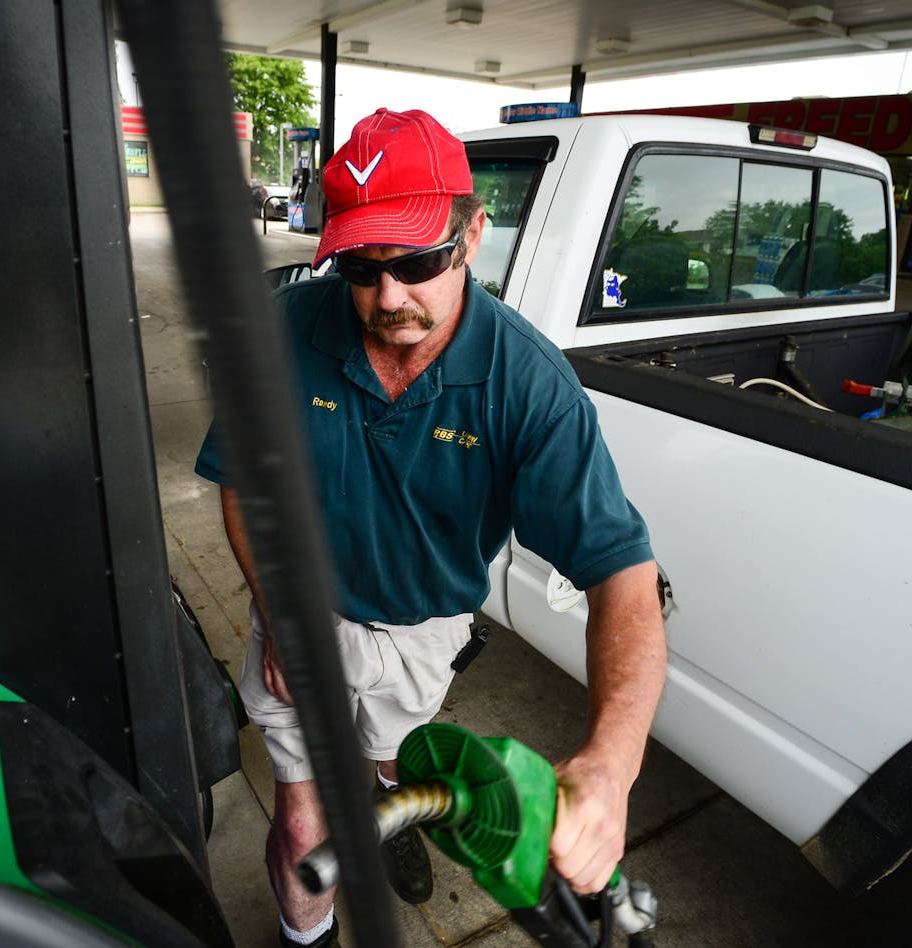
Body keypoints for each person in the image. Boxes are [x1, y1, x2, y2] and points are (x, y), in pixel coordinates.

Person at [195, 107, 666, 948]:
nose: (388, 298)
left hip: (426, 632)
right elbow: (243, 482)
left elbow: (622, 574)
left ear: (473, 232)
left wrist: (610, 766)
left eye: (416, 262)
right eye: (362, 269)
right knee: (307, 830)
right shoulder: (281, 331)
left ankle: (393, 810)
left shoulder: (529, 386)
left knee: (398, 767)